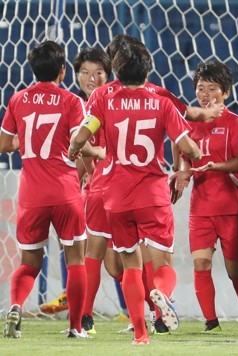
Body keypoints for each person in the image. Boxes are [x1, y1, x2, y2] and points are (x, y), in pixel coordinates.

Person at [69, 41, 201, 345]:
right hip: (152, 194)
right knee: (162, 265)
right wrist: (193, 155)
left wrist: (76, 148)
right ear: (148, 70)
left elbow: (80, 137)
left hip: (116, 196)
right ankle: (161, 296)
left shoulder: (103, 97)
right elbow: (188, 146)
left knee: (128, 265)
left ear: (117, 70)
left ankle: (140, 335)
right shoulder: (162, 101)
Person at [0, 41, 100, 338]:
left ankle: (16, 306)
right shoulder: (71, 101)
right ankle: (76, 327)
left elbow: (4, 144)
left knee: (29, 263)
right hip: (66, 191)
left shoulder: (18, 99)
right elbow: (78, 144)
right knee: (76, 260)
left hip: (32, 194)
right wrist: (93, 169)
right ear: (62, 70)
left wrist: (23, 143)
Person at [172, 61, 238, 332]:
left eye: (213, 88)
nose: (206, 94)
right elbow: (182, 157)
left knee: (234, 270)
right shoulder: (189, 123)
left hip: (231, 207)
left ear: (226, 93)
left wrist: (214, 166)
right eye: (201, 88)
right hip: (201, 208)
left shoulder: (235, 122)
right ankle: (211, 322)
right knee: (201, 263)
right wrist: (183, 174)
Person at [38, 47, 119, 318]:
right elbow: (78, 155)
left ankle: (139, 303)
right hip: (92, 187)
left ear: (109, 75)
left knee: (115, 256)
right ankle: (75, 299)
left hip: (117, 187)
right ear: (74, 75)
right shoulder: (76, 105)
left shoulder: (113, 103)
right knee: (73, 239)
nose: (91, 78)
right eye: (84, 72)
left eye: (98, 72)